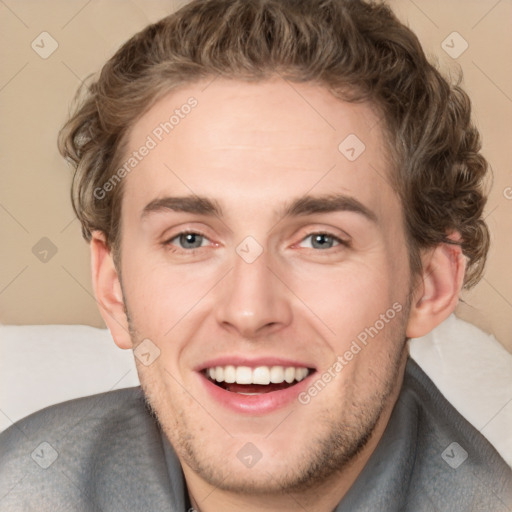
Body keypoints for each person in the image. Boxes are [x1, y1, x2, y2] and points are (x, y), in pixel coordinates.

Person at [1, 0, 510, 510]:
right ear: (113, 288)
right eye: (190, 239)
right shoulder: (23, 483)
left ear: (431, 284)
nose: (249, 311)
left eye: (321, 240)